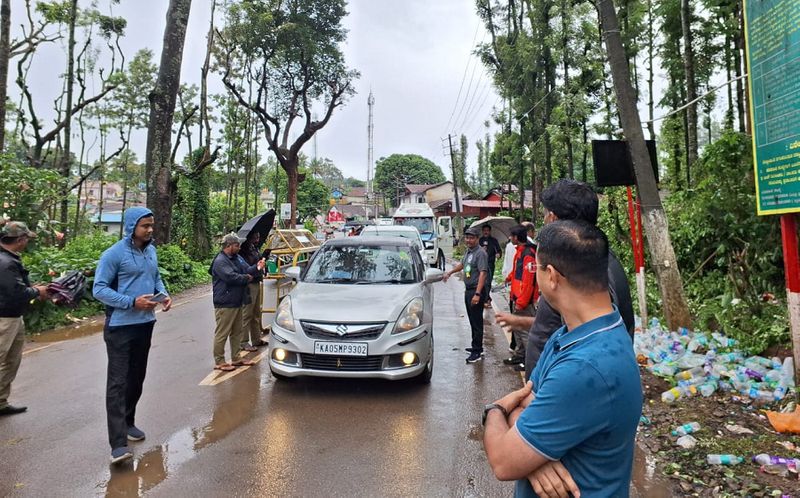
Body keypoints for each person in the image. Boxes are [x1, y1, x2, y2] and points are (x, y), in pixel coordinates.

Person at [482, 220, 643, 498]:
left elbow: (503, 462)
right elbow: (528, 402)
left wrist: (495, 410)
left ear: (553, 276)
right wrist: (531, 460)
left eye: (538, 268)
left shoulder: (586, 367)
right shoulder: (573, 334)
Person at [495, 179, 635, 380]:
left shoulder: (588, 269)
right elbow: (562, 327)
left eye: (545, 214)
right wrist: (521, 321)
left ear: (552, 217)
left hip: (567, 389)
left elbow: (591, 339)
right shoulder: (591, 260)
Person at [93, 207, 172, 464]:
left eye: (152, 225)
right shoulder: (113, 255)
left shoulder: (150, 250)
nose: (150, 230)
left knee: (136, 378)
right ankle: (118, 444)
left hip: (145, 324)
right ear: (131, 227)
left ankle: (128, 422)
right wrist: (130, 302)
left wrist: (163, 294)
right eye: (144, 226)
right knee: (117, 383)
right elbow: (99, 289)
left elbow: (156, 277)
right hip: (120, 326)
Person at [0, 222, 49, 416]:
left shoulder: (9, 259)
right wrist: (37, 290)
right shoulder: (6, 263)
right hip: (5, 319)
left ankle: (1, 401)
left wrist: (32, 289)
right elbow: (15, 293)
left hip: (13, 316)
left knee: (11, 360)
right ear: (20, 240)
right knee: (4, 359)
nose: (27, 242)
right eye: (26, 238)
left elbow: (15, 288)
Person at [210, 233, 264, 373]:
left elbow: (247, 269)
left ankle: (236, 357)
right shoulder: (220, 261)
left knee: (237, 332)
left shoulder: (237, 258)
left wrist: (257, 267)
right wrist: (246, 278)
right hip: (225, 302)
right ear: (229, 246)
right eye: (237, 245)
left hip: (238, 301)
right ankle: (220, 360)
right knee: (222, 332)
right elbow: (230, 277)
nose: (239, 247)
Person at [443, 226, 489, 363]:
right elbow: (462, 265)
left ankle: (477, 351)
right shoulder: (469, 252)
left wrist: (477, 293)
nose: (468, 240)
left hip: (476, 290)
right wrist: (450, 273)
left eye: (471, 238)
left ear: (477, 239)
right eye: (467, 238)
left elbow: (483, 273)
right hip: (469, 290)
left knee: (476, 321)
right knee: (472, 320)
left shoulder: (480, 253)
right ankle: (476, 346)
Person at [503, 225, 538, 372]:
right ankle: (520, 355)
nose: (510, 238)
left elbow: (529, 281)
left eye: (511, 236)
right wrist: (509, 277)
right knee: (517, 330)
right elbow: (518, 272)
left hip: (523, 301)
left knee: (525, 332)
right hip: (516, 297)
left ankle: (528, 362)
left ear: (516, 237)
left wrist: (522, 302)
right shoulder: (520, 252)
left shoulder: (528, 254)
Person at [239, 231, 267, 350]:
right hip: (249, 283)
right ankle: (243, 341)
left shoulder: (254, 248)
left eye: (258, 237)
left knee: (256, 313)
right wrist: (257, 266)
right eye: (255, 237)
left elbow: (258, 261)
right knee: (247, 314)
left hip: (257, 281)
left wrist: (264, 256)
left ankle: (256, 339)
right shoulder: (243, 250)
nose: (257, 240)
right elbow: (248, 267)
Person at [478, 225, 502, 308]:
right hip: (480, 265)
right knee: (483, 282)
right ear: (482, 231)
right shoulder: (479, 241)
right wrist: (482, 250)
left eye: (487, 230)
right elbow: (475, 252)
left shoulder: (494, 241)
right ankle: (485, 299)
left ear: (490, 231)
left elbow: (499, 250)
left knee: (488, 282)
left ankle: (486, 298)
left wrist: (498, 254)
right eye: (484, 230)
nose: (486, 232)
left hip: (490, 264)